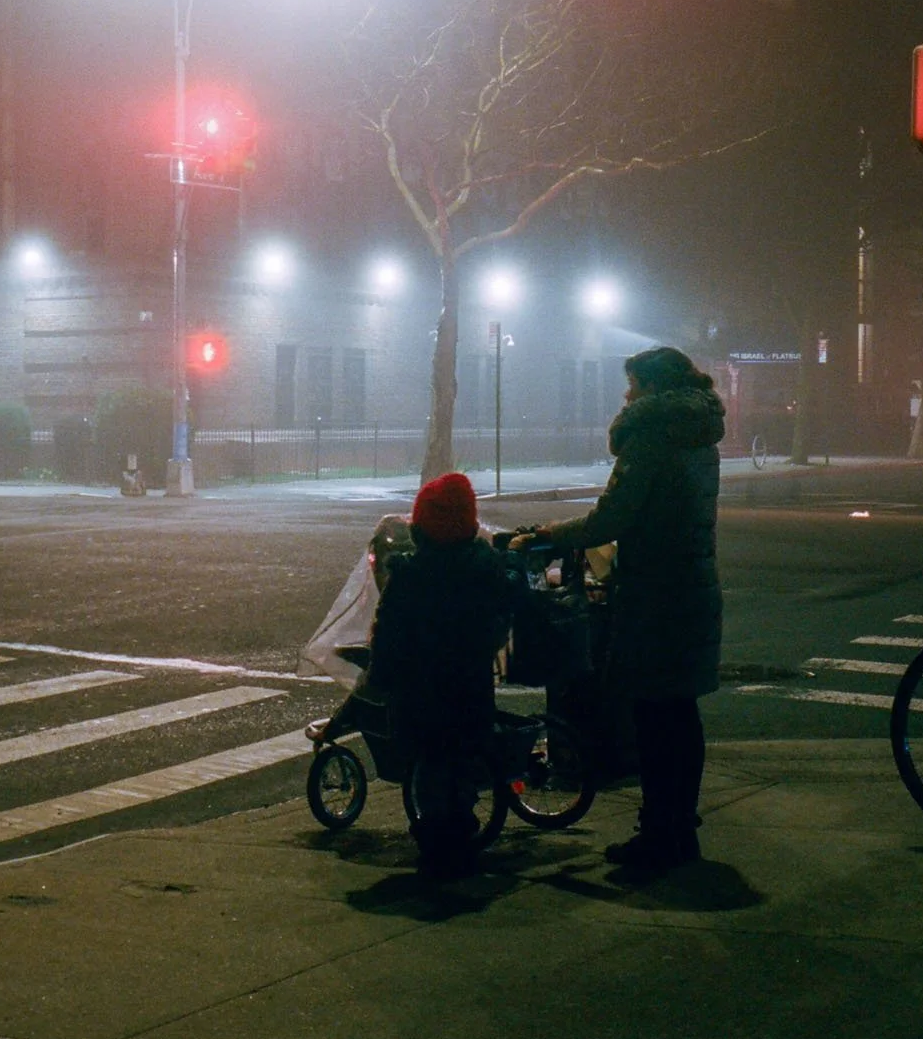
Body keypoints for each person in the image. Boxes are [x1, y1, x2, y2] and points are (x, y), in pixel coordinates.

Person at [514, 346, 724, 872]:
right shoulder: (700, 434)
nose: (627, 396)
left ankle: (658, 835)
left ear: (652, 388)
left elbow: (613, 516)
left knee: (653, 717)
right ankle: (680, 829)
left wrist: (546, 533)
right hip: (695, 583)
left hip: (655, 594)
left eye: (632, 386)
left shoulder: (651, 435)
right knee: (680, 713)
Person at [309, 471, 518, 876]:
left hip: (420, 694)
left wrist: (379, 679)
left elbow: (388, 636)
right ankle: (460, 829)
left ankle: (438, 841)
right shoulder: (485, 567)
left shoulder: (410, 575)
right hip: (470, 686)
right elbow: (503, 609)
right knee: (459, 764)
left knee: (430, 765)